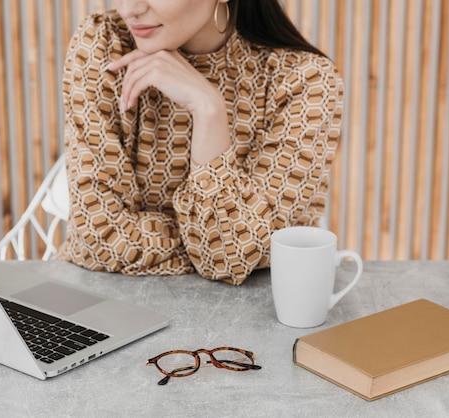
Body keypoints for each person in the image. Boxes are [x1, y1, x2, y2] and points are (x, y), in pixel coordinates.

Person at [55, 0, 344, 285]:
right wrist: (228, 247)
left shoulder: (304, 82)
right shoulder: (104, 44)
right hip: (106, 299)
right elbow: (100, 236)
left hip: (248, 315)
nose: (129, 9)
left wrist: (207, 108)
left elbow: (226, 257)